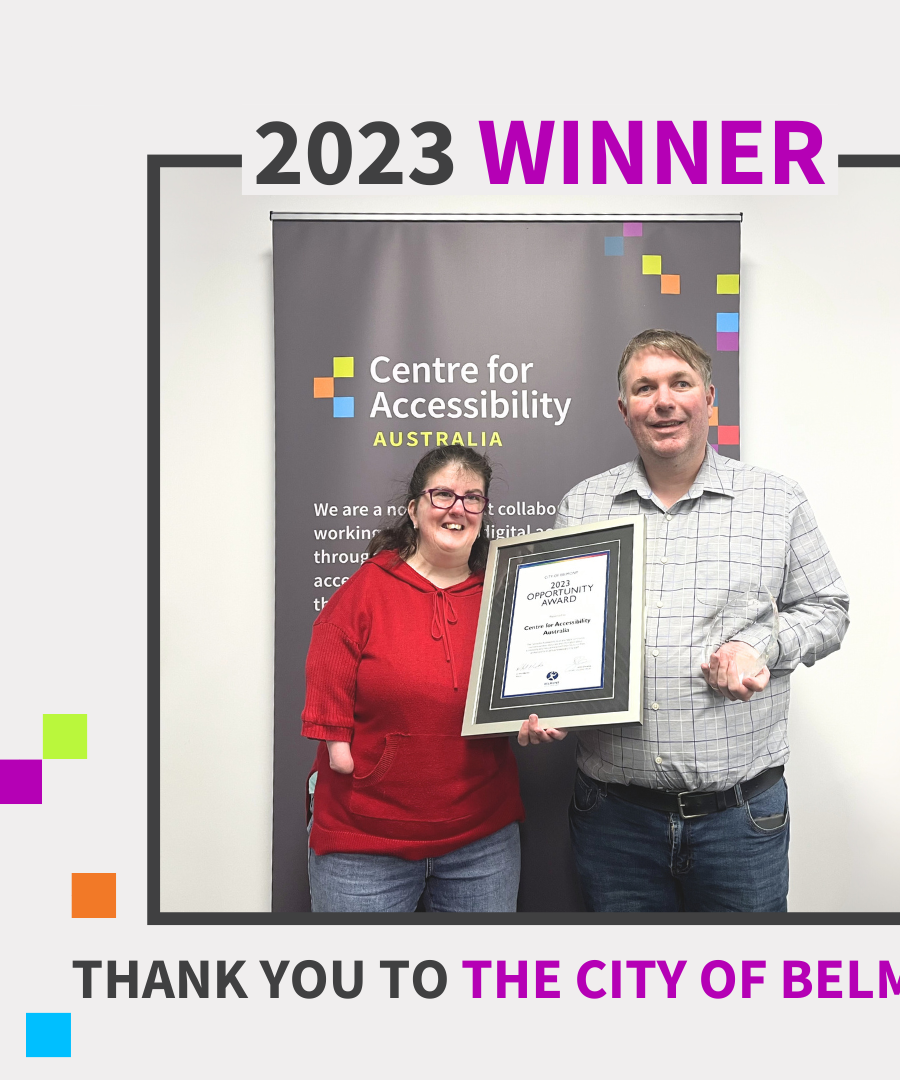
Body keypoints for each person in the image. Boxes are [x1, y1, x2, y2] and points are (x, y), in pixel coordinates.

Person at [519, 329, 849, 912]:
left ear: (709, 398)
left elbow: (829, 610)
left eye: (680, 384)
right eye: (644, 389)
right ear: (625, 411)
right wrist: (554, 699)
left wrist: (762, 647)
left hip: (741, 822)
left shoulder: (778, 501)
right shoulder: (583, 506)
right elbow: (562, 631)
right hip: (613, 821)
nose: (663, 401)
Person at [302, 445, 524, 912]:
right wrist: (339, 750)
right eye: (441, 494)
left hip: (480, 843)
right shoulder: (367, 589)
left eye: (472, 497)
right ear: (414, 508)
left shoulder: (506, 595)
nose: (456, 509)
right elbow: (329, 664)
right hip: (363, 845)